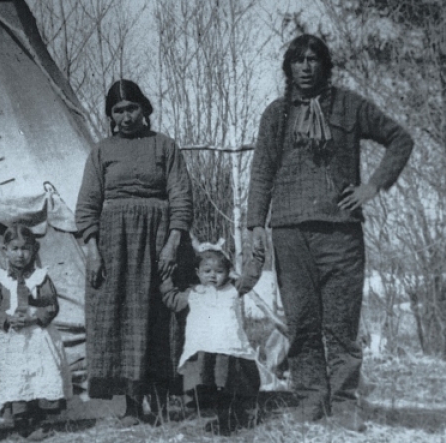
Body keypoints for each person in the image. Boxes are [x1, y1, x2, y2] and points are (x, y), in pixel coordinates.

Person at [246, 34, 413, 431]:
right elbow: (262, 172)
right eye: (298, 60)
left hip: (340, 233)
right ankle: (310, 399)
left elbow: (400, 139)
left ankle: (344, 403)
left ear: (325, 65)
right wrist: (255, 224)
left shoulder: (349, 106)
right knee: (302, 322)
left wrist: (372, 187)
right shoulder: (276, 114)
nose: (306, 67)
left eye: (313, 59)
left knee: (341, 323)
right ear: (288, 67)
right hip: (289, 232)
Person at [75, 79, 193, 426]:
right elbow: (87, 204)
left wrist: (173, 241)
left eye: (132, 109)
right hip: (115, 242)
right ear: (110, 116)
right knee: (120, 318)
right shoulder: (101, 151)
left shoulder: (165, 146)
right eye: (118, 111)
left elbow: (181, 197)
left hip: (159, 237)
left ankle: (158, 402)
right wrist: (94, 250)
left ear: (144, 109)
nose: (126, 117)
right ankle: (129, 404)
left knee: (160, 315)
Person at [163, 248, 260, 435]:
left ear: (228, 273)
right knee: (206, 387)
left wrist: (258, 257)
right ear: (198, 273)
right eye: (207, 271)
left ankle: (228, 420)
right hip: (204, 351)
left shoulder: (233, 290)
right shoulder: (193, 293)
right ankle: (214, 420)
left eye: (219, 271)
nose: (213, 276)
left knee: (227, 386)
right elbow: (171, 300)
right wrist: (165, 277)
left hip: (227, 350)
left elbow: (251, 277)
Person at [0, 224, 72, 440]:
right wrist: (7, 319)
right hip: (13, 339)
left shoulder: (40, 278)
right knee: (17, 377)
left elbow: (51, 306)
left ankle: (40, 421)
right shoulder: (0, 280)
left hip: (37, 336)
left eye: (25, 249)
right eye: (14, 249)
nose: (20, 254)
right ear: (5, 250)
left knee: (39, 375)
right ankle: (21, 423)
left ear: (33, 250)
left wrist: (34, 318)